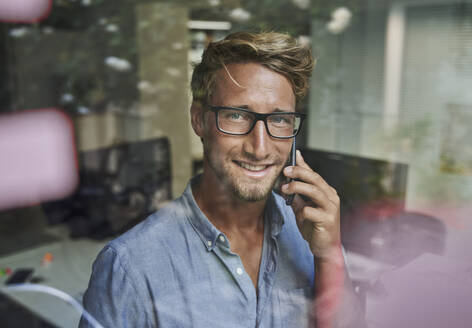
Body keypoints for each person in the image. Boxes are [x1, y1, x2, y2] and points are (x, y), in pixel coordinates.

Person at [80, 31, 365, 328]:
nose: (261, 148)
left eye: (279, 120)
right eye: (237, 116)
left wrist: (330, 256)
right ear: (199, 120)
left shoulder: (311, 231)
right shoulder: (129, 268)